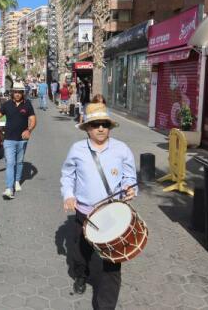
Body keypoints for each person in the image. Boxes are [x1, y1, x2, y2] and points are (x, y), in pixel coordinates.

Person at [61, 102, 137, 309]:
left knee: (112, 265)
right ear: (87, 128)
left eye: (104, 124)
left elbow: (130, 177)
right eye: (95, 125)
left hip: (112, 215)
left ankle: (105, 305)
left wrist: (130, 189)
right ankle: (81, 275)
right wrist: (68, 195)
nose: (101, 128)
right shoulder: (77, 149)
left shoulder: (122, 149)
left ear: (110, 126)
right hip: (84, 212)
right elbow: (68, 175)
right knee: (81, 252)